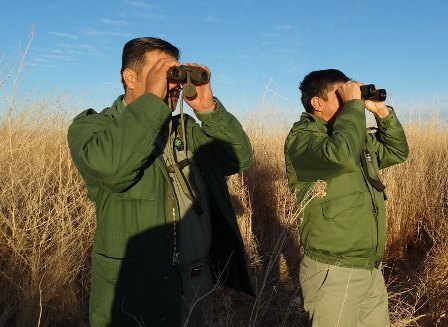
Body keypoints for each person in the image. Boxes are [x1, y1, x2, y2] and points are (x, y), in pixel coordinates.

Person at [67, 37, 254, 327]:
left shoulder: (185, 129)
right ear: (130, 78)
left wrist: (207, 110)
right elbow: (112, 170)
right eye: (161, 71)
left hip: (196, 286)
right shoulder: (94, 127)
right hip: (137, 291)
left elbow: (238, 159)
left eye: (174, 72)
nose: (173, 82)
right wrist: (153, 101)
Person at [284, 69, 409, 326]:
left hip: (370, 268)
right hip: (333, 272)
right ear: (317, 103)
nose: (349, 100)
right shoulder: (303, 139)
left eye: (349, 94)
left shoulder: (354, 138)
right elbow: (339, 155)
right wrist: (353, 107)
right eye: (340, 95)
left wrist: (381, 112)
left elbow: (397, 151)